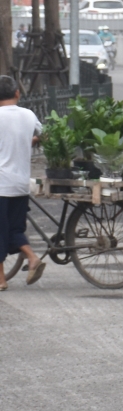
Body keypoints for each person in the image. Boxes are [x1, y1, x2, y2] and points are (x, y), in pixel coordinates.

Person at [0, 74, 46, 288]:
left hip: (1, 185)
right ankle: (32, 257)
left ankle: (1, 280)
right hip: (20, 183)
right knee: (14, 229)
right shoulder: (28, 115)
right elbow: (44, 134)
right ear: (17, 93)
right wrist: (31, 140)